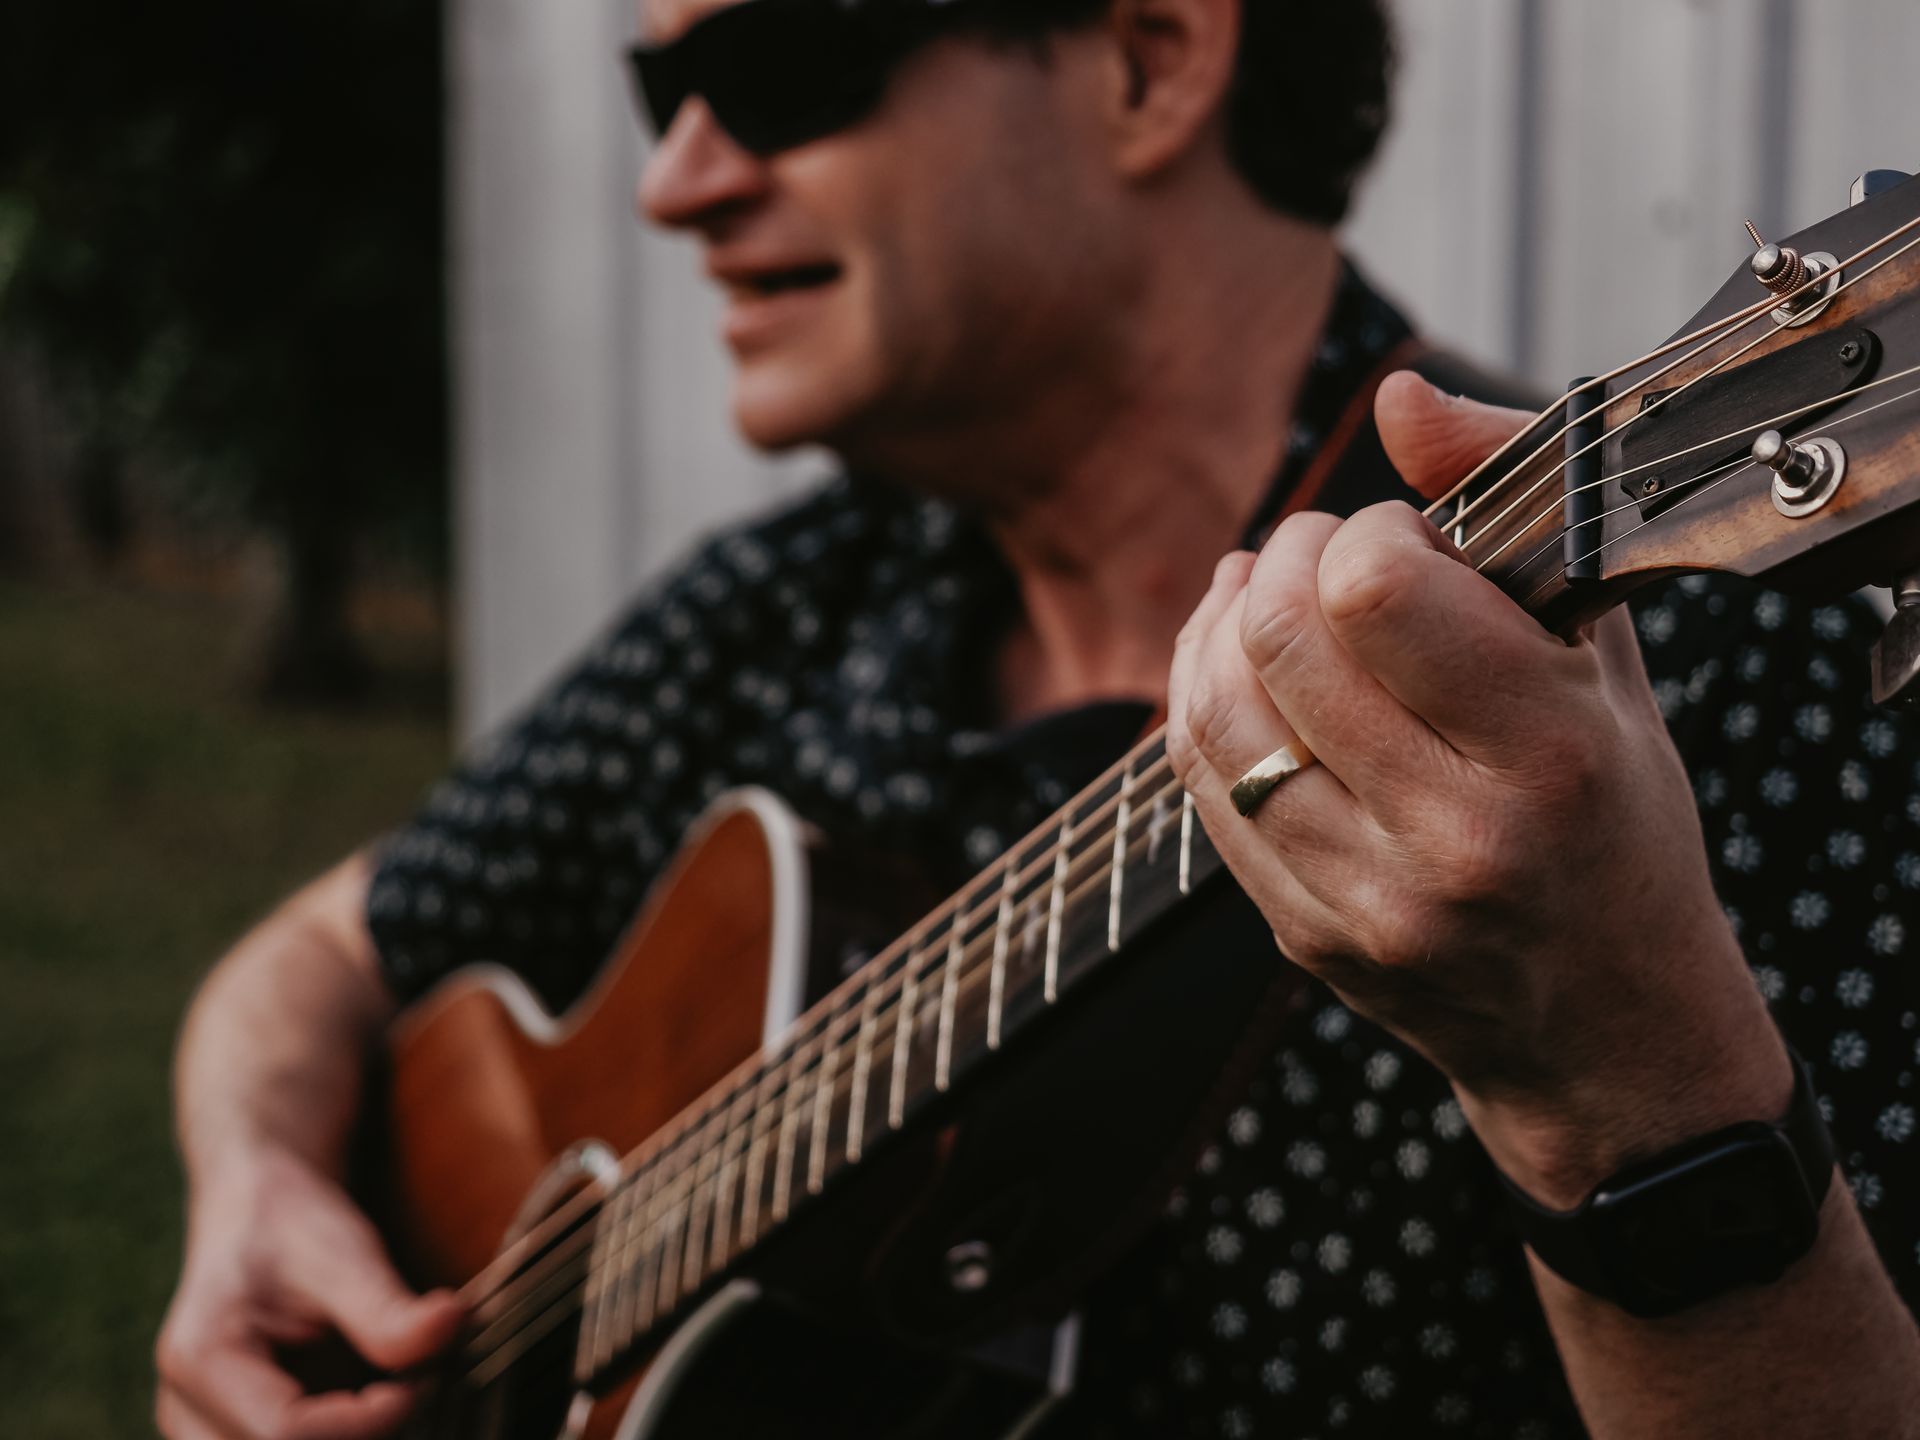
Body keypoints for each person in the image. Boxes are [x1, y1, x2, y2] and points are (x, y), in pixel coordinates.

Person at [156, 0, 1920, 1435]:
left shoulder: (1696, 691)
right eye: (651, 94)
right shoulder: (790, 610)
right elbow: (323, 952)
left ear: (1150, 60)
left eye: (766, 74)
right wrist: (253, 1186)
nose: (673, 183)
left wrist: (1624, 1081)